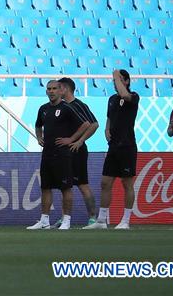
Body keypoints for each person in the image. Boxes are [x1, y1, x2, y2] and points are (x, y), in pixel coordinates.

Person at [28, 81, 90, 230]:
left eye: (54, 89)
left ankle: (67, 220)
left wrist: (72, 139)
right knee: (46, 187)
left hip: (63, 154)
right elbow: (38, 125)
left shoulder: (67, 108)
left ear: (60, 91)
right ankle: (44, 220)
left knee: (65, 188)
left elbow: (86, 124)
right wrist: (39, 137)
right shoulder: (43, 109)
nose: (51, 91)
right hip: (47, 154)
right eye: (49, 89)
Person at [86, 69, 140, 230]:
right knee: (105, 183)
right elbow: (109, 118)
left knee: (127, 183)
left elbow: (125, 95)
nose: (115, 83)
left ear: (127, 81)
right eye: (114, 80)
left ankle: (125, 220)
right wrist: (106, 129)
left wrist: (116, 75)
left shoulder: (134, 96)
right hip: (113, 146)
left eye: (118, 80)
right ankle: (102, 220)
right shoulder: (112, 100)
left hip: (127, 146)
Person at [56, 77, 100, 227]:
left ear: (65, 89)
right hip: (63, 152)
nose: (55, 91)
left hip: (77, 150)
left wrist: (79, 141)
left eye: (58, 87)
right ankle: (64, 218)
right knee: (65, 186)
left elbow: (94, 124)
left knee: (82, 184)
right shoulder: (60, 106)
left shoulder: (78, 105)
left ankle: (93, 218)